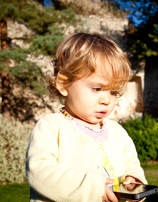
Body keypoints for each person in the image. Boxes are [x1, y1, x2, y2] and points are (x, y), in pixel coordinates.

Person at [26, 32, 147, 202]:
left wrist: (134, 180)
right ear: (64, 84)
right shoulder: (52, 126)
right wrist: (93, 188)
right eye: (97, 89)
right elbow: (40, 172)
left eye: (113, 92)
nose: (106, 100)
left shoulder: (117, 132)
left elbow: (131, 164)